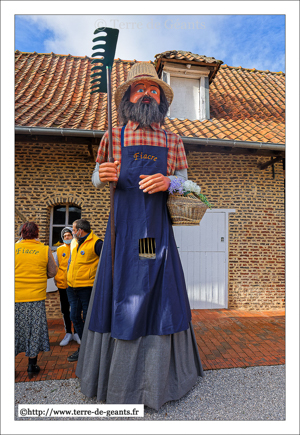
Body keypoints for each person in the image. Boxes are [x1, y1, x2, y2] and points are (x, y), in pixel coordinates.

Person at [76, 62, 204, 410]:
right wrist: (102, 174)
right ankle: (116, 378)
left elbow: (190, 186)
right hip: (121, 229)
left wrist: (169, 182)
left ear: (160, 100)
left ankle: (154, 376)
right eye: (140, 89)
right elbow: (95, 178)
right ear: (128, 98)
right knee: (125, 284)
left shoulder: (172, 140)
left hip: (152, 231)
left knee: (147, 281)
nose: (147, 95)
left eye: (154, 91)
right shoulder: (113, 137)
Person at [15, 222, 58, 373]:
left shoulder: (12, 249)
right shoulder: (44, 249)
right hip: (36, 297)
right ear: (37, 234)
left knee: (14, 330)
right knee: (34, 331)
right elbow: (53, 272)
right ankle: (31, 366)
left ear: (21, 233)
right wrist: (40, 275)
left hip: (15, 297)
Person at [66, 219, 102, 362]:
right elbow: (71, 262)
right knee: (74, 317)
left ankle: (89, 351)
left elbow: (106, 263)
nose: (72, 232)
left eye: (74, 230)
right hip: (72, 287)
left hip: (87, 288)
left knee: (88, 320)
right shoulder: (75, 241)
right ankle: (84, 347)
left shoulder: (97, 243)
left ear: (80, 230)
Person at [53, 227, 81, 346]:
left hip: (75, 284)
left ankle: (77, 332)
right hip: (63, 285)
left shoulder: (77, 247)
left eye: (69, 235)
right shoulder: (59, 250)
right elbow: (56, 267)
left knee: (76, 309)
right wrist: (58, 279)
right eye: (64, 236)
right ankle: (68, 332)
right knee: (65, 309)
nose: (67, 238)